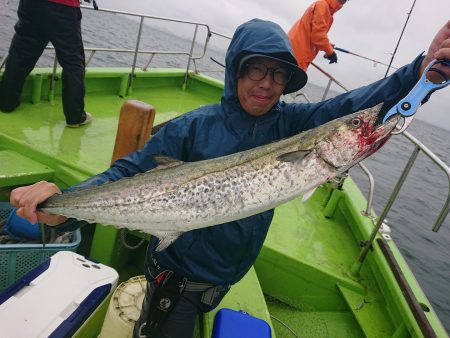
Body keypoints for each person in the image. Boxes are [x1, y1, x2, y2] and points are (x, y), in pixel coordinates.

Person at [9, 18, 450, 338]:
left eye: (278, 73)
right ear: (236, 69)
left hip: (226, 274)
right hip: (176, 277)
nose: (267, 83)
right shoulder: (194, 126)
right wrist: (63, 207)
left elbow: (352, 106)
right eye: (257, 69)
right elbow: (128, 172)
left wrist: (418, 70)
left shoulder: (292, 124)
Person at [0, 0, 91, 127]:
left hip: (31, 4)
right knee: (73, 61)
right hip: (63, 6)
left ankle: (6, 102)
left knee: (21, 51)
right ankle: (75, 116)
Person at [288, 0, 347, 71]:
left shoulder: (325, 7)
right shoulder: (323, 6)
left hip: (296, 52)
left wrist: (328, 46)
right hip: (297, 55)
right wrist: (330, 53)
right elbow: (317, 35)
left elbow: (314, 33)